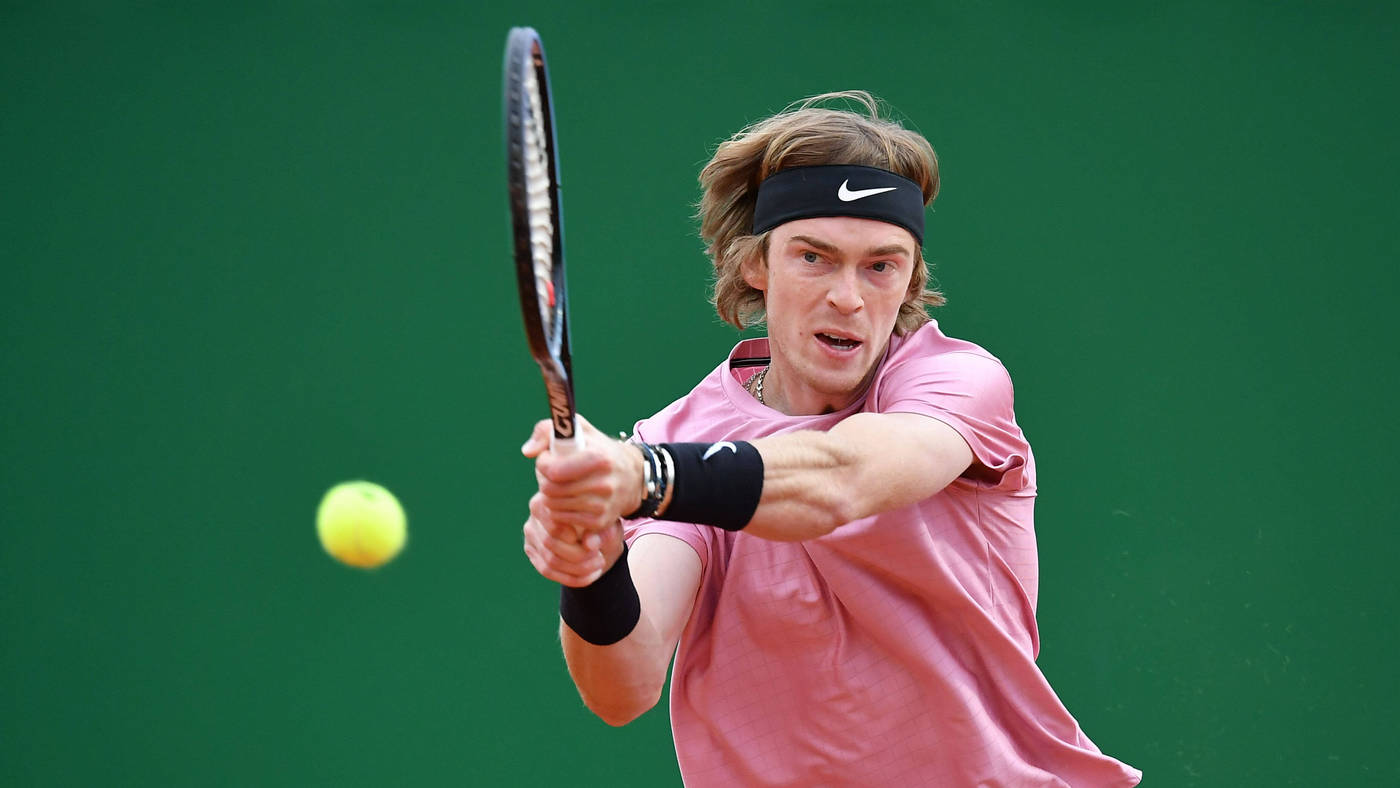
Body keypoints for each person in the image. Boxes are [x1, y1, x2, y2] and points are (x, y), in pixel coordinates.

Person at [520, 91, 1141, 787]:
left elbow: (843, 480)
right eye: (815, 257)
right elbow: (622, 688)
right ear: (756, 265)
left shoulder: (958, 384)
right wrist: (593, 567)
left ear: (909, 277)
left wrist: (645, 477)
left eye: (881, 265)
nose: (849, 296)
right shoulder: (678, 437)